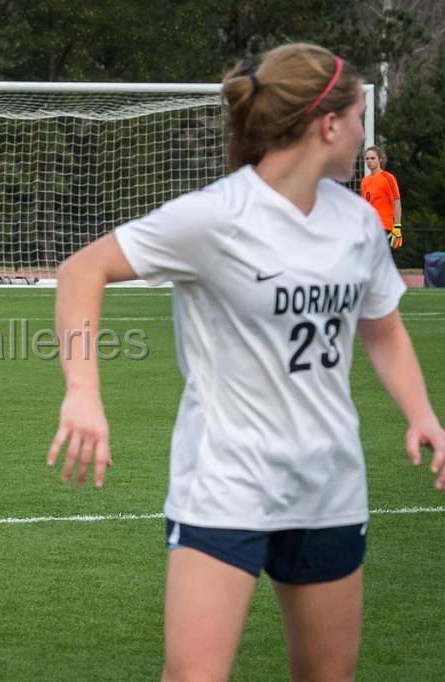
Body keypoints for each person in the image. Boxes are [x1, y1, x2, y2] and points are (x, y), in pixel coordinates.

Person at [47, 43, 445, 681]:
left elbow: (383, 330)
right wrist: (82, 391)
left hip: (329, 487)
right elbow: (80, 271)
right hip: (225, 485)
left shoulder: (359, 225)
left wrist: (421, 413)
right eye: (362, 120)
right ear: (330, 124)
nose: (366, 140)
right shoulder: (216, 216)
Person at [361, 145, 403, 249]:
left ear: (380, 159)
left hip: (384, 227)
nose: (369, 161)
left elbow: (396, 203)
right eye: (367, 159)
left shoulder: (388, 178)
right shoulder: (364, 180)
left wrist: (397, 227)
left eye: (372, 158)